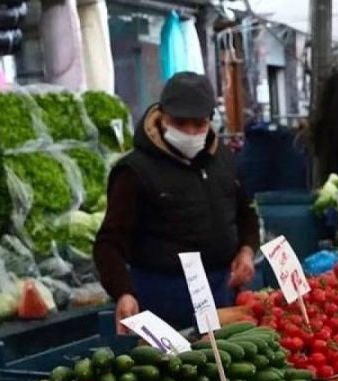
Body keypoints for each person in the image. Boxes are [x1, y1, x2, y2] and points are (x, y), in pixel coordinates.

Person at [92, 71, 260, 333]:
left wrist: (247, 250)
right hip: (161, 298)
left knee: (225, 367)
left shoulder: (224, 160)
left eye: (199, 124)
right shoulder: (134, 171)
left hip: (221, 292)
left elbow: (246, 214)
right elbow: (109, 244)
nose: (191, 132)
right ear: (162, 116)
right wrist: (123, 292)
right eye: (180, 123)